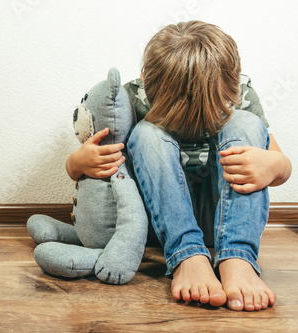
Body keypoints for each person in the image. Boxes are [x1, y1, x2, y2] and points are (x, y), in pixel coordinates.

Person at [65, 21, 292, 311]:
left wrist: (274, 165)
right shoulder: (132, 98)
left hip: (222, 216)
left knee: (247, 123)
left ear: (232, 85)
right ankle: (187, 256)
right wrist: (77, 162)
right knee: (146, 132)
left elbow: (282, 166)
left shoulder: (240, 94)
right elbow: (80, 172)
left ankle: (238, 258)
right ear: (145, 80)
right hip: (161, 220)